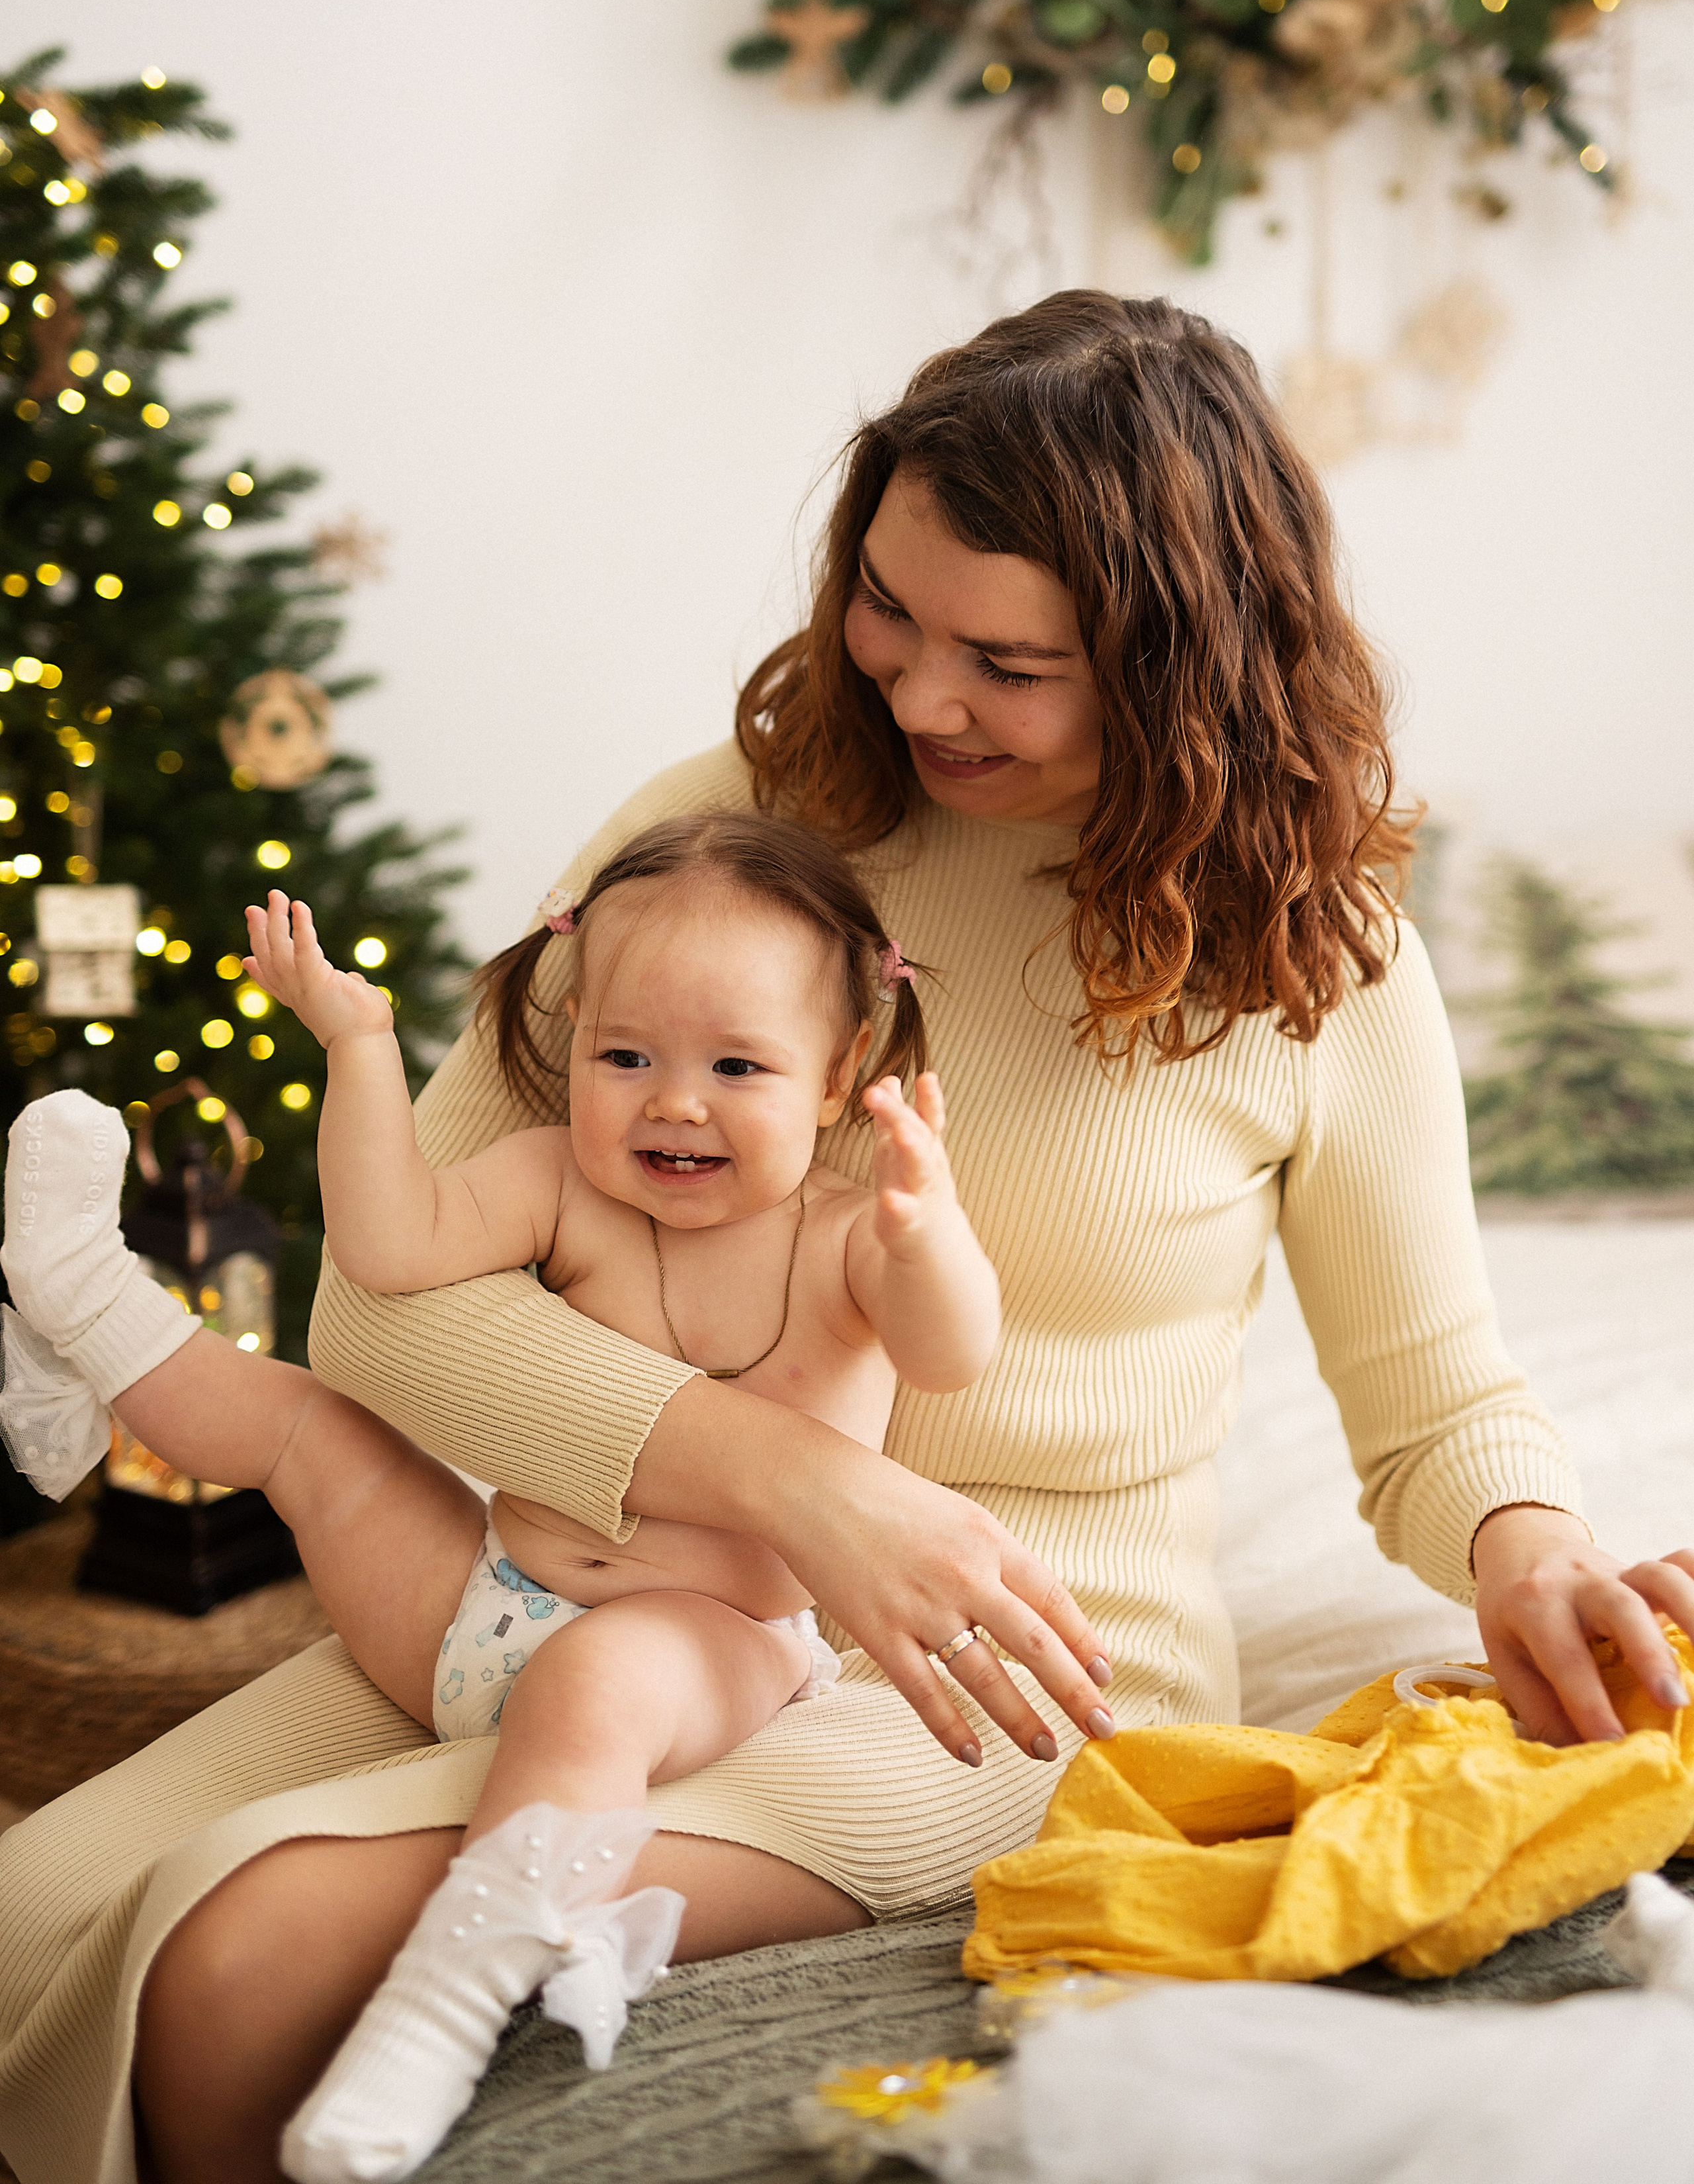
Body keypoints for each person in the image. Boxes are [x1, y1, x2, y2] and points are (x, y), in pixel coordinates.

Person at [3, 292, 1692, 2184]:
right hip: (609, 1597)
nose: (917, 692)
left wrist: (1531, 1545)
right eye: (888, 608)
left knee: (240, 1962)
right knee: (25, 1910)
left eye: (1008, 658)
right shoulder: (721, 841)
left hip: (1012, 1678)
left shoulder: (1316, 954)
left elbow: (1431, 1389)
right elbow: (386, 1312)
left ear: (1183, 657)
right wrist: (806, 1487)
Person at [0, 809, 1017, 2184]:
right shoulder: (556, 1181)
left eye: (736, 1064)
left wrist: (924, 1220)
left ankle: (450, 1996)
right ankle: (87, 1310)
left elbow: (952, 1350)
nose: (674, 1099)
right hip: (477, 1608)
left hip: (703, 1652)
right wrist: (359, 1047)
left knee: (599, 1674)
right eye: (625, 1056)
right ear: (574, 1043)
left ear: (838, 1076)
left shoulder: (843, 1234)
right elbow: (387, 1245)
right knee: (314, 1430)